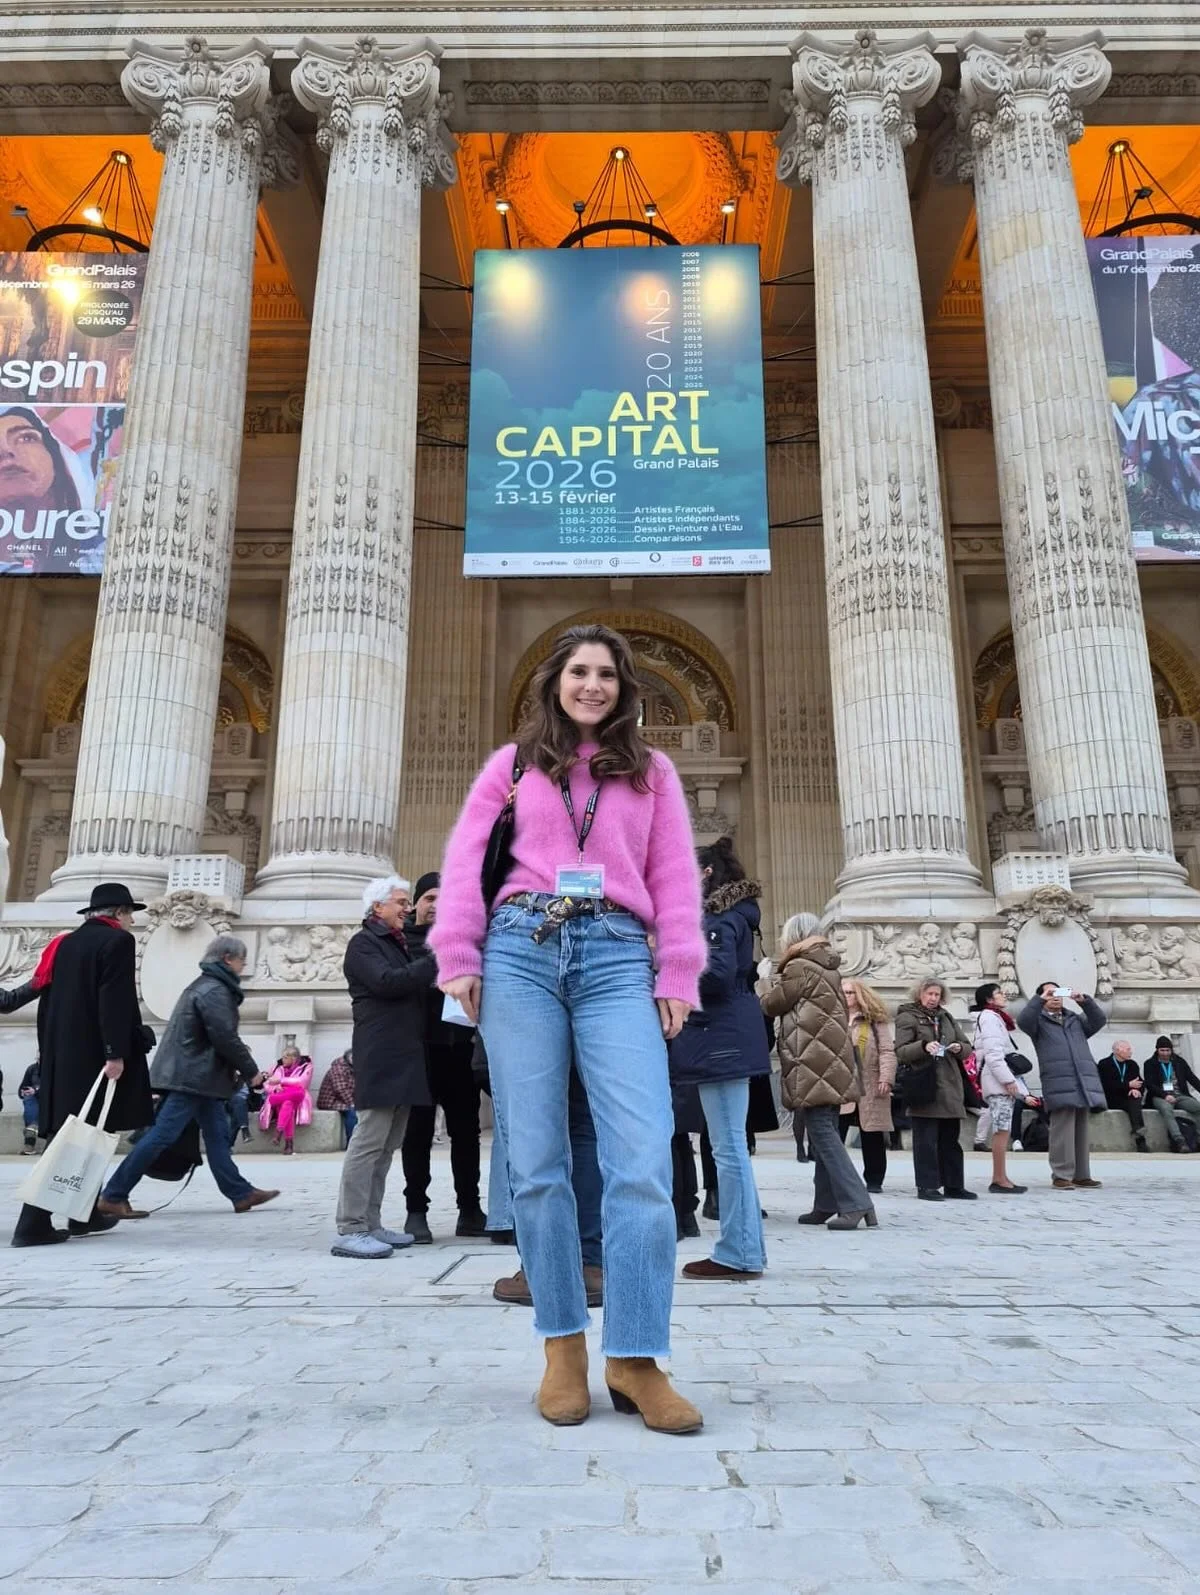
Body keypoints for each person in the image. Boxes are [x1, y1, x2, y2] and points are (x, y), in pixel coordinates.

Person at [433, 622, 706, 1433]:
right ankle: (563, 1345)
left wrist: (680, 969)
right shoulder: (511, 766)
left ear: (625, 689)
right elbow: (463, 862)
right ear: (556, 680)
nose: (593, 685)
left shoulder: (652, 772)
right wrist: (456, 952)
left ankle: (636, 1354)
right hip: (519, 948)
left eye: (608, 675)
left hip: (619, 953)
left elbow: (674, 874)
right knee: (538, 1159)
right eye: (580, 671)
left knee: (641, 1156)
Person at [11, 883, 154, 1248]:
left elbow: (48, 1003)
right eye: (129, 914)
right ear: (119, 913)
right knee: (71, 1140)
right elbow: (114, 1000)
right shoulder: (117, 943)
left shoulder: (66, 944)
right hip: (93, 1056)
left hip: (62, 1056)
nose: (131, 921)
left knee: (78, 1133)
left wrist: (48, 1051)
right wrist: (115, 1052)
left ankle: (83, 1214)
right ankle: (33, 1224)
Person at [97, 937, 279, 1218]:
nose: (244, 966)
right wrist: (251, 1071)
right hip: (193, 1077)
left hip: (200, 1077)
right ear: (228, 958)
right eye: (242, 961)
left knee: (217, 1135)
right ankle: (113, 1195)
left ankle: (240, 1193)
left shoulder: (206, 986)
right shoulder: (214, 990)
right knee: (162, 1135)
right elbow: (224, 1037)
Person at [669, 838, 769, 1280]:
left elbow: (715, 975)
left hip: (720, 1038)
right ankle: (744, 1247)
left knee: (727, 1149)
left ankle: (739, 1252)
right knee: (728, 1147)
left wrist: (666, 961)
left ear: (706, 872)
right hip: (725, 1037)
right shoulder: (732, 915)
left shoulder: (719, 919)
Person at [332, 876, 437, 1259]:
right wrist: (435, 959)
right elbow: (388, 983)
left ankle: (371, 1222)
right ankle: (351, 1226)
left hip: (405, 1053)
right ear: (377, 907)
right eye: (400, 902)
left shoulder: (395, 944)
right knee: (368, 1142)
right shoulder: (363, 944)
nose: (407, 908)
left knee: (388, 1144)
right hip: (381, 1053)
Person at [762, 912, 877, 1231]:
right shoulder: (827, 967)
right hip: (828, 1058)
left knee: (823, 1131)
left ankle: (857, 1202)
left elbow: (771, 1004)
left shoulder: (798, 967)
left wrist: (763, 979)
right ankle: (825, 1203)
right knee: (822, 1127)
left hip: (813, 1059)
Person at [402, 872, 487, 1242]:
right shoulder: (401, 943)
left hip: (459, 1049)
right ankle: (415, 1211)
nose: (436, 906)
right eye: (430, 898)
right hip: (417, 1051)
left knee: (466, 1135)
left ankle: (469, 1209)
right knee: (417, 1135)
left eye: (445, 899)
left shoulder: (463, 944)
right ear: (417, 903)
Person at [1018, 982, 1107, 1190]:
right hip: (1058, 1079)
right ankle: (1061, 1174)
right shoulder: (1038, 1022)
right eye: (1050, 994)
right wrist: (1040, 999)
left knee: (1080, 1129)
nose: (1055, 997)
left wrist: (1084, 1001)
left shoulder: (1073, 1019)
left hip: (1082, 1079)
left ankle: (1081, 1174)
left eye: (1057, 993)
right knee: (1061, 1129)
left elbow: (1099, 1020)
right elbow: (1023, 1020)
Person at [894, 978, 975, 1202]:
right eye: (929, 994)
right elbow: (900, 1051)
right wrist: (923, 1046)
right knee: (925, 1141)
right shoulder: (907, 1016)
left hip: (949, 1085)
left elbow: (967, 1047)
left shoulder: (946, 1017)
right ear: (919, 994)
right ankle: (927, 1186)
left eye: (937, 995)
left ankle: (954, 1185)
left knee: (951, 1140)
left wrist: (960, 1048)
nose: (933, 998)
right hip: (924, 1084)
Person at [969, 982, 1028, 1193]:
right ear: (989, 999)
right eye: (999, 993)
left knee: (1003, 1129)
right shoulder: (989, 1018)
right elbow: (994, 1055)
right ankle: (998, 1179)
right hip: (997, 1082)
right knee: (1002, 1131)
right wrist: (1009, 1081)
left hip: (998, 1081)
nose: (1004, 996)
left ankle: (1002, 1176)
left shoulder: (993, 1018)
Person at [841, 978, 896, 1194]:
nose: (847, 996)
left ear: (860, 995)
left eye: (851, 992)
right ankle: (835, 1178)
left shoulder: (874, 1021)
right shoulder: (833, 1017)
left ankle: (874, 1180)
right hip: (842, 1083)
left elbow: (886, 1051)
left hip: (870, 1082)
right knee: (836, 1131)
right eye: (844, 992)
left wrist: (886, 1078)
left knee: (872, 1133)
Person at [1142, 1035, 1200, 1152]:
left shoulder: (1179, 1062)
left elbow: (1192, 1078)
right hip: (1160, 1096)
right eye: (1162, 1050)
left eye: (1167, 1050)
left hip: (1180, 1094)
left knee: (1197, 1107)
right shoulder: (1150, 1063)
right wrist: (1165, 1095)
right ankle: (1179, 1140)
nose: (1165, 1053)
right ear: (1157, 1050)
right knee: (1166, 1110)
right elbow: (1150, 1084)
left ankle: (1198, 1137)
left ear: (1171, 1050)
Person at [1096, 1040, 1149, 1152]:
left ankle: (1140, 1138)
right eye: (1128, 1049)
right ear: (1118, 1050)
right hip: (1112, 1098)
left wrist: (1136, 1090)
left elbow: (1140, 1082)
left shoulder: (1132, 1064)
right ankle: (1140, 1138)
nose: (1131, 1052)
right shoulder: (1105, 1064)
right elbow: (1106, 1085)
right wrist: (1128, 1085)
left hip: (1128, 1097)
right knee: (1134, 1104)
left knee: (1135, 1099)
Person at [259, 1044, 313, 1154]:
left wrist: (281, 1081)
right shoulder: (277, 1067)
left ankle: (280, 1135)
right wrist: (275, 1088)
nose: (282, 1059)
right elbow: (268, 1083)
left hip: (296, 1097)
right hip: (281, 1096)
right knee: (287, 1105)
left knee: (288, 1103)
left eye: (285, 1057)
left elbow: (302, 1082)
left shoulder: (306, 1066)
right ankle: (287, 1142)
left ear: (293, 1058)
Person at [317, 1048, 357, 1145]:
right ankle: (351, 1143)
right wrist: (352, 1103)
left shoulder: (354, 1068)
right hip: (331, 1101)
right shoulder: (339, 1069)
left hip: (344, 1099)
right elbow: (341, 1089)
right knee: (353, 1113)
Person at [18, 1059, 39, 1153]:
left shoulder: (53, 1067)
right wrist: (23, 1092)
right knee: (28, 1099)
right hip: (34, 1101)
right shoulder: (32, 1069)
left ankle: (29, 1142)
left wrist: (36, 1090)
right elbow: (22, 1086)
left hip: (50, 1099)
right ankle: (33, 1127)